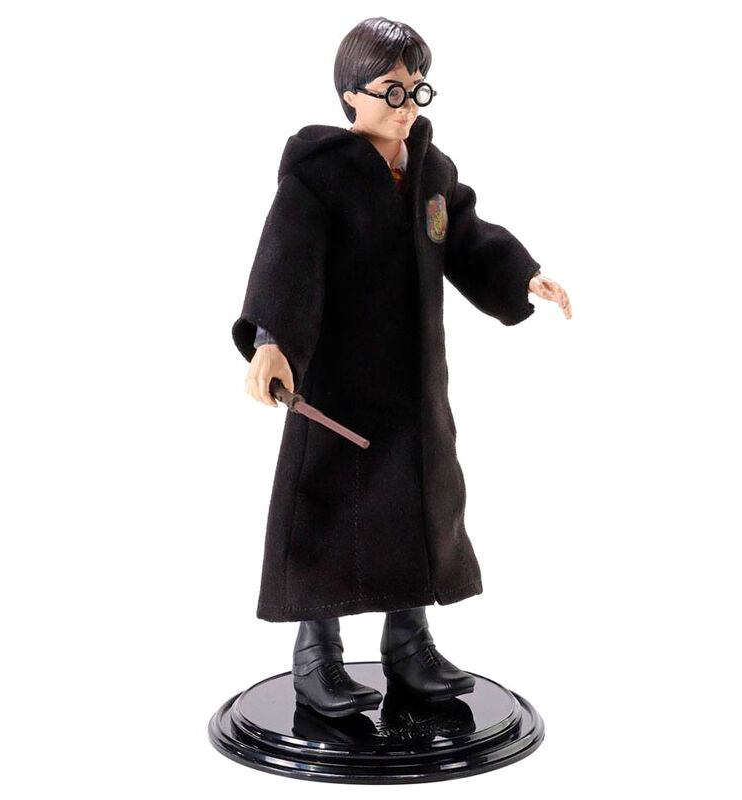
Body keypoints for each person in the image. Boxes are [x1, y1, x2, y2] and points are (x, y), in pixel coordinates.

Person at [232, 17, 571, 718]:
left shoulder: (430, 171)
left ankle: (410, 646)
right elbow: (286, 260)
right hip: (338, 384)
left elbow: (466, 237)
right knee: (326, 512)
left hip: (415, 383)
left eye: (417, 88)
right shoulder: (318, 175)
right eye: (391, 89)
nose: (407, 103)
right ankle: (316, 656)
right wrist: (271, 340)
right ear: (350, 95)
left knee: (418, 507)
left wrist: (520, 275)